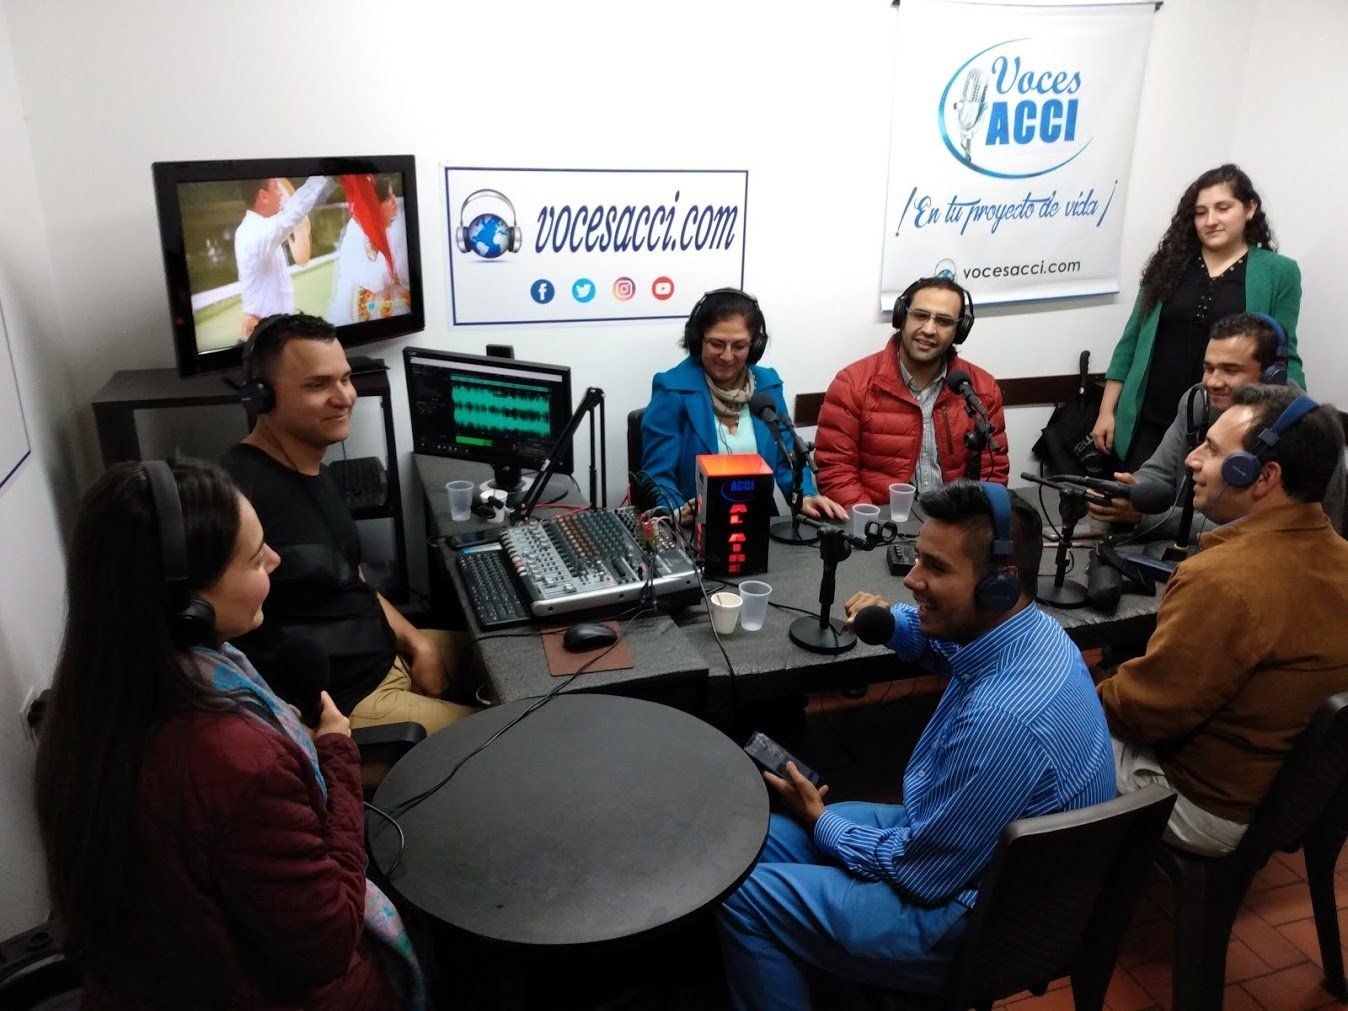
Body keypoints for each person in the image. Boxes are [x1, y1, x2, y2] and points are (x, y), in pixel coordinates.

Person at [33, 459, 420, 1009]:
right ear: (187, 604)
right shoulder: (233, 760)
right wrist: (335, 755)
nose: (275, 561)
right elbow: (328, 944)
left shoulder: (92, 700)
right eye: (255, 556)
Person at [716, 480, 1115, 1009]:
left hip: (970, 916)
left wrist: (822, 822)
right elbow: (954, 652)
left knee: (742, 897)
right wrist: (893, 623)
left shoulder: (1005, 720)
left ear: (1000, 583)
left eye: (936, 568)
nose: (911, 578)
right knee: (753, 847)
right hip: (967, 852)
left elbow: (920, 874)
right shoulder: (1033, 632)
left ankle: (798, 946)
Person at [1097, 384, 1348, 856]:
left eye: (1211, 450)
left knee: (1035, 732)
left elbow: (1147, 712)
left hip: (1209, 807)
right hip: (1294, 800)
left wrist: (1086, 691)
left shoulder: (1221, 580)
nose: (1192, 460)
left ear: (1261, 475)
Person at [220, 313, 474, 734]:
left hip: (386, 655)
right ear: (261, 398)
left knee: (525, 655)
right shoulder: (238, 500)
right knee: (511, 737)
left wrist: (418, 642)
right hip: (347, 704)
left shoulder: (311, 465)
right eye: (318, 385)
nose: (344, 397)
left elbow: (349, 578)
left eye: (346, 379)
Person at [1093, 164, 1303, 469]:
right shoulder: (1168, 265)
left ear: (1249, 209)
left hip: (1227, 423)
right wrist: (1106, 411)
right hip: (1149, 420)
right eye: (1200, 212)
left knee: (1201, 513)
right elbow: (1131, 341)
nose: (1211, 220)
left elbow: (1285, 353)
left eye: (1222, 208)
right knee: (1134, 506)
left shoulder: (1279, 272)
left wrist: (1296, 416)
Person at [1087, 312, 1344, 537]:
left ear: (1272, 375)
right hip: (1189, 548)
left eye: (1230, 370)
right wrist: (1130, 493)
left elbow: (1282, 530)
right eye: (1208, 368)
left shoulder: (1308, 428)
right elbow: (1159, 474)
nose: (1212, 382)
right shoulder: (1198, 401)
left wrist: (1145, 515)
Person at [641, 287, 846, 521]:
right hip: (695, 524)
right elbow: (657, 475)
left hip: (756, 518)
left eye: (739, 346)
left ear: (754, 346)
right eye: (717, 344)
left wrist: (805, 495)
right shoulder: (673, 389)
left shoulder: (767, 385)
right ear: (698, 340)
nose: (727, 356)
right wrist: (677, 513)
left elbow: (786, 458)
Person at [814, 277, 1008, 508]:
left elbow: (992, 472)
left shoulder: (981, 389)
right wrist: (873, 525)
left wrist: (968, 525)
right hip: (882, 526)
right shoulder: (853, 384)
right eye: (920, 315)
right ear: (901, 316)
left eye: (944, 321)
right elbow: (836, 471)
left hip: (955, 527)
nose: (928, 330)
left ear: (960, 329)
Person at [234, 175, 334, 338]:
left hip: (273, 332)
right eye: (276, 187)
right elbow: (292, 214)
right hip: (263, 337)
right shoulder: (253, 232)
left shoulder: (263, 228)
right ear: (263, 196)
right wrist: (324, 177)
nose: (281, 193)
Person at [328, 175, 411, 325]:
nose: (394, 201)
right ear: (374, 205)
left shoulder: (395, 225)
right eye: (387, 198)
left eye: (393, 194)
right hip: (361, 308)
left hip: (386, 299)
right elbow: (374, 279)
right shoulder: (357, 230)